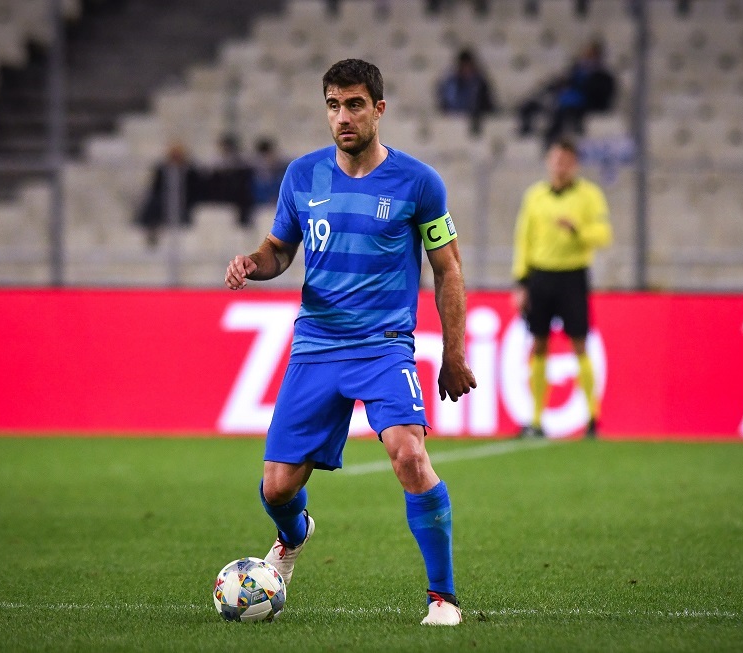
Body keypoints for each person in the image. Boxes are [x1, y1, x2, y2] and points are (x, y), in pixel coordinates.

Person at [225, 58, 477, 626]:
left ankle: (442, 598)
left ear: (378, 109)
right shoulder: (302, 176)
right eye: (334, 105)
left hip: (384, 346)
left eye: (355, 104)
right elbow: (279, 250)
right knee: (276, 489)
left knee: (410, 456)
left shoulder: (419, 183)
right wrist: (253, 263)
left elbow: (448, 268)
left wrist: (454, 352)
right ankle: (294, 535)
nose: (343, 116)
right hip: (316, 344)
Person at [511, 137, 612, 438]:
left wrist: (578, 230)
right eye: (557, 160)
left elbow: (604, 234)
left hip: (572, 276)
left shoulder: (589, 195)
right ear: (549, 162)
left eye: (566, 161)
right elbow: (523, 239)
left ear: (575, 164)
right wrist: (521, 281)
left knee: (579, 342)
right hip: (540, 276)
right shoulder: (535, 196)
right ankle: (536, 420)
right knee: (539, 343)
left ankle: (593, 418)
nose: (561, 166)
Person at [517, 39, 616, 150]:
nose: (586, 57)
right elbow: (564, 81)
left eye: (590, 54)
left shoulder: (604, 76)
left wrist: (580, 87)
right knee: (533, 103)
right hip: (566, 98)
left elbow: (600, 95)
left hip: (585, 104)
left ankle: (551, 140)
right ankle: (525, 134)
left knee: (562, 110)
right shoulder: (576, 69)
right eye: (586, 53)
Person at [136, 142, 203, 247]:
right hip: (163, 203)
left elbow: (196, 191)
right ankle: (152, 228)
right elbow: (155, 188)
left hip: (185, 203)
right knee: (154, 203)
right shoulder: (161, 169)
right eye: (173, 156)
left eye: (178, 155)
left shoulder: (191, 171)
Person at [436, 48, 496, 135]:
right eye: (464, 66)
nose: (467, 70)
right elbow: (447, 103)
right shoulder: (451, 82)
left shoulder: (480, 82)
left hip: (474, 115)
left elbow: (487, 103)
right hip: (454, 118)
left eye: (469, 66)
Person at [250, 137, 289, 205]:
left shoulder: (285, 172)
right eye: (263, 158)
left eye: (269, 156)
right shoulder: (253, 178)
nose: (266, 161)